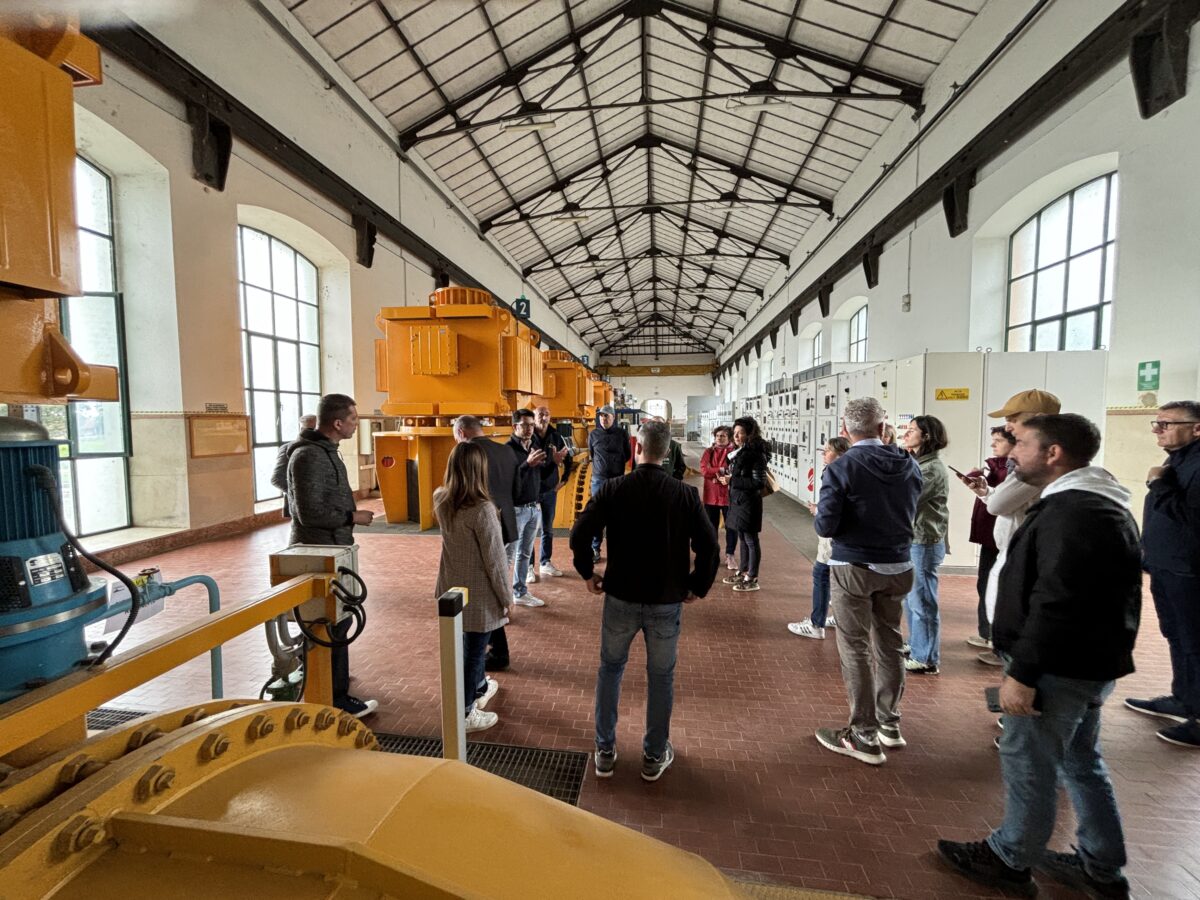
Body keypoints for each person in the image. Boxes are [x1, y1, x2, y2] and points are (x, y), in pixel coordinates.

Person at [937, 414, 1142, 900]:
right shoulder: (1093, 505)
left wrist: (1024, 674)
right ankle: (1101, 865)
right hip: (1087, 662)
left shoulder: (1075, 513)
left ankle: (1010, 858)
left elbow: (1058, 601)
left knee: (1030, 759)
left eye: (1022, 444)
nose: (1012, 453)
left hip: (1056, 667)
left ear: (1054, 454)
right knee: (1080, 760)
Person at [569, 420, 720, 782]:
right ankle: (654, 755)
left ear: (636, 448)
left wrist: (587, 572)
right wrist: (697, 586)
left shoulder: (614, 488)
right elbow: (710, 546)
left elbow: (580, 533)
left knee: (610, 669)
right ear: (667, 453)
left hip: (620, 596)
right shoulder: (684, 495)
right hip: (666, 601)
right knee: (661, 677)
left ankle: (604, 750)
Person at [813, 397, 921, 765]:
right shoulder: (908, 464)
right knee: (889, 641)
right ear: (882, 428)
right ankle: (890, 724)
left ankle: (862, 734)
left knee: (854, 647)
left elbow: (826, 524)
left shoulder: (842, 467)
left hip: (854, 567)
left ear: (845, 431)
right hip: (899, 565)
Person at [286, 394, 377, 718]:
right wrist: (352, 517)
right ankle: (335, 698)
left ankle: (332, 680)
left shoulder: (328, 453)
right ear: (337, 423)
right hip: (317, 551)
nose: (356, 424)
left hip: (334, 549)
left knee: (340, 618)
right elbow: (309, 513)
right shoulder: (309, 456)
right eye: (353, 419)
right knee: (327, 623)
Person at [962, 389, 1062, 666]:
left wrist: (991, 497)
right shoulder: (1030, 458)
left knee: (1022, 629)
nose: (1007, 426)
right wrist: (986, 493)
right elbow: (999, 500)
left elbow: (999, 505)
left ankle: (1019, 675)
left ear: (1039, 419)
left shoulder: (1038, 460)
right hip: (1018, 548)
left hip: (1027, 551)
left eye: (1013, 419)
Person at [1126, 400, 1200, 748]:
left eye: (1166, 424)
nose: (1158, 429)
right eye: (1156, 423)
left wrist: (1159, 483)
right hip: (1167, 564)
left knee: (1193, 640)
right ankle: (1182, 698)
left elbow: (1190, 518)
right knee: (1175, 634)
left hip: (1189, 570)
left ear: (1196, 428)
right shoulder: (1179, 459)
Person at [433, 441, 513, 734]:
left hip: (450, 588)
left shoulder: (441, 498)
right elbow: (495, 560)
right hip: (480, 594)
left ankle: (479, 687)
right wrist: (507, 597)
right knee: (476, 651)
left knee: (466, 646)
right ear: (479, 470)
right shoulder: (482, 510)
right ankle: (465, 712)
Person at [453, 415, 519, 671]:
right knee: (494, 580)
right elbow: (518, 490)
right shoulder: (506, 452)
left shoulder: (465, 454)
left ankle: (495, 653)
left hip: (479, 527)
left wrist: (506, 597)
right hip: (506, 524)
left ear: (461, 433)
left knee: (487, 587)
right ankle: (498, 651)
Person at [962, 427, 1016, 665]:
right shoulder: (996, 466)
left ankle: (999, 643)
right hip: (991, 535)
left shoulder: (1018, 471)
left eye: (998, 441)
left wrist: (987, 488)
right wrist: (983, 488)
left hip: (1006, 538)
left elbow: (1000, 503)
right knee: (985, 582)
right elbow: (994, 498)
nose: (993, 445)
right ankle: (988, 635)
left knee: (999, 587)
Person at [901, 415, 950, 675]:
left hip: (924, 541)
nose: (906, 434)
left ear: (927, 436)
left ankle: (927, 658)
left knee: (923, 600)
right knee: (910, 599)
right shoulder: (918, 462)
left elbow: (908, 499)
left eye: (912, 431)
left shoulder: (930, 469)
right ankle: (916, 644)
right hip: (914, 538)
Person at [789, 436, 850, 639]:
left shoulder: (835, 472)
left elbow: (834, 506)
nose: (823, 454)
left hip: (832, 535)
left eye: (827, 450)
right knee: (838, 578)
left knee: (821, 575)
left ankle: (817, 624)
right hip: (844, 535)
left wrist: (819, 512)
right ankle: (839, 619)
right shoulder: (850, 471)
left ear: (840, 453)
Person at [720, 416, 771, 592]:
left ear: (749, 434)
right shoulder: (740, 452)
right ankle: (742, 571)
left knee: (751, 540)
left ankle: (752, 577)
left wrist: (732, 480)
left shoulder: (755, 454)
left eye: (740, 433)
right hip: (738, 501)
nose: (736, 436)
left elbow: (759, 483)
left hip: (749, 503)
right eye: (734, 432)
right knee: (742, 538)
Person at [506, 409, 547, 608]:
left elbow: (540, 475)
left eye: (531, 425)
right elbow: (508, 483)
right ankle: (501, 599)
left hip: (533, 509)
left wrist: (554, 463)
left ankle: (520, 593)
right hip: (516, 510)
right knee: (507, 556)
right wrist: (526, 465)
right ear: (515, 427)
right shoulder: (507, 450)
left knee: (525, 554)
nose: (529, 428)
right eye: (525, 425)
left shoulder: (534, 445)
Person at [530, 405, 572, 577]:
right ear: (534, 417)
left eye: (546, 414)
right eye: (540, 414)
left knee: (547, 528)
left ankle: (545, 562)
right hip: (531, 491)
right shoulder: (528, 437)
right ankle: (529, 568)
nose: (543, 417)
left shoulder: (556, 437)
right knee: (530, 530)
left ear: (550, 417)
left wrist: (564, 480)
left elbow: (567, 458)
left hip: (549, 490)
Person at [587, 404, 631, 562]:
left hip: (616, 480)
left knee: (616, 516)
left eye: (606, 416)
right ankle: (595, 548)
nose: (603, 419)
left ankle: (616, 549)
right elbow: (592, 453)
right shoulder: (593, 435)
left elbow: (627, 455)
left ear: (614, 418)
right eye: (601, 416)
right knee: (597, 515)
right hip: (598, 480)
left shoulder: (622, 434)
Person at [699, 426, 738, 569]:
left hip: (729, 495)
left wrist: (715, 473)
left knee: (731, 527)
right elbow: (704, 470)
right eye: (717, 436)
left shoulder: (735, 453)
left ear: (729, 438)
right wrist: (721, 470)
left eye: (723, 436)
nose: (720, 438)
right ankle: (713, 554)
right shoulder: (708, 452)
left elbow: (735, 471)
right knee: (711, 527)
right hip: (711, 496)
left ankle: (730, 555)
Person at [270, 413, 317, 517]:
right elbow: (277, 479)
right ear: (301, 429)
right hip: (299, 507)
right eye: (310, 429)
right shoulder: (287, 448)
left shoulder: (323, 448)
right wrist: (300, 494)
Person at [632, 415, 686, 479]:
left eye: (660, 425)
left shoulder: (674, 445)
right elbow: (635, 465)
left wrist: (673, 480)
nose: (656, 428)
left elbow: (681, 466)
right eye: (653, 424)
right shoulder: (642, 443)